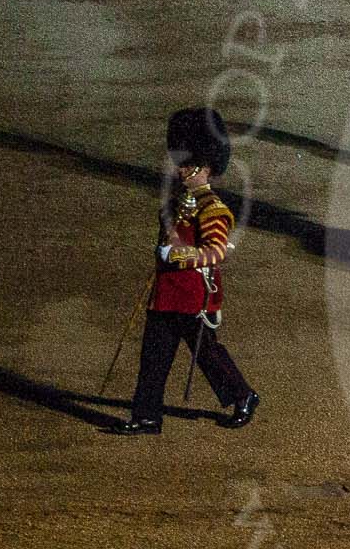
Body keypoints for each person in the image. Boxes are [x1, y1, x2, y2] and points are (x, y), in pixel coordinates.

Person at [109, 108, 258, 436]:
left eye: (187, 165)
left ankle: (242, 394)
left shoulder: (213, 209)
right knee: (153, 357)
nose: (181, 170)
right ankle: (147, 415)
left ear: (204, 168)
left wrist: (175, 256)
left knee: (207, 354)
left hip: (192, 295)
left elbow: (216, 252)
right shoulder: (179, 204)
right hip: (167, 292)